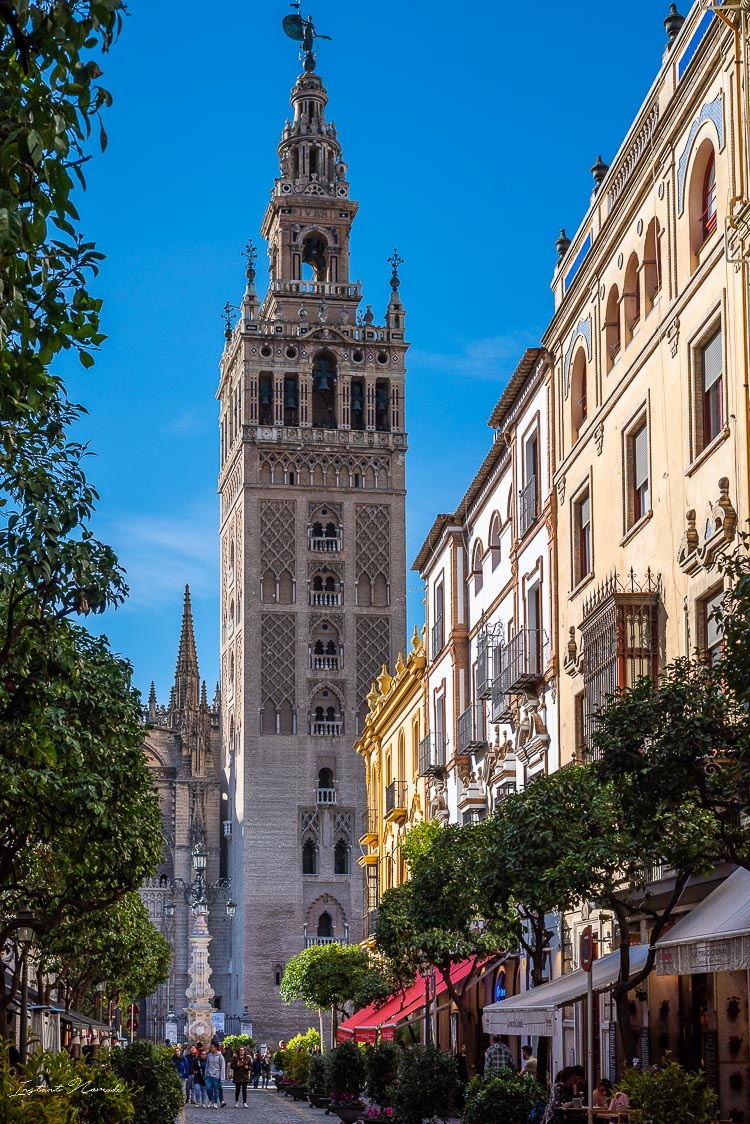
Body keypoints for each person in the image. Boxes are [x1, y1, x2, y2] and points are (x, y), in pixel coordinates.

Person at [204, 1041, 227, 1108]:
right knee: (208, 1088)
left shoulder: (220, 1057)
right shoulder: (209, 1055)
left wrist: (222, 1078)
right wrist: (206, 1074)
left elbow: (222, 1068)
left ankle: (215, 1102)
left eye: (212, 1047)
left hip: (217, 1076)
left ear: (216, 1048)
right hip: (209, 1075)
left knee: (216, 1090)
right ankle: (211, 1100)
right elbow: (207, 1065)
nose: (211, 1048)